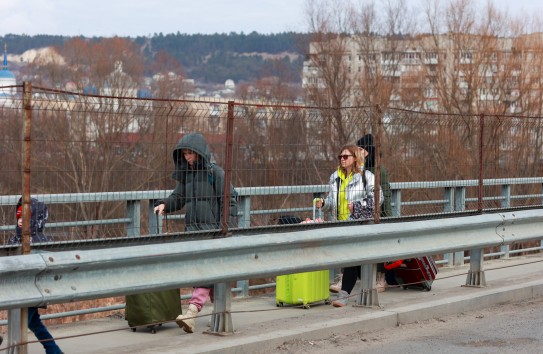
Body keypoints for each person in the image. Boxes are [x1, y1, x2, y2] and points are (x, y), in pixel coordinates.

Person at [153, 132, 237, 334]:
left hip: (213, 232)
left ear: (200, 153)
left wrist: (226, 227)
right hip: (192, 232)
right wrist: (165, 204)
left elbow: (230, 200)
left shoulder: (215, 173)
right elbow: (179, 196)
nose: (188, 158)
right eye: (184, 154)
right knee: (214, 276)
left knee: (204, 272)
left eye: (191, 153)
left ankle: (192, 312)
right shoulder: (187, 176)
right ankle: (221, 313)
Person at [314, 145, 382, 307]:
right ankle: (366, 290)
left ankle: (344, 296)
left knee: (351, 260)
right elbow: (332, 202)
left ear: (355, 158)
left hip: (360, 225)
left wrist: (359, 206)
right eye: (340, 157)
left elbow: (379, 200)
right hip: (341, 225)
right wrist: (323, 204)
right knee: (355, 261)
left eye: (346, 157)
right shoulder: (335, 178)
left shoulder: (367, 177)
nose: (342, 160)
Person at [329, 133, 394, 293]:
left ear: (368, 151)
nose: (358, 151)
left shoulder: (376, 170)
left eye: (361, 148)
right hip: (358, 218)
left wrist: (385, 217)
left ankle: (380, 277)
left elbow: (383, 194)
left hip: (378, 216)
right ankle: (347, 280)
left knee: (377, 248)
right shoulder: (354, 171)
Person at [10, 197, 64, 354]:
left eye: (24, 216)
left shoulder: (41, 242)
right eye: (18, 216)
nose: (20, 220)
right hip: (17, 288)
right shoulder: (16, 239)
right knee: (33, 322)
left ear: (35, 218)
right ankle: (54, 350)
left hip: (33, 288)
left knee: (21, 323)